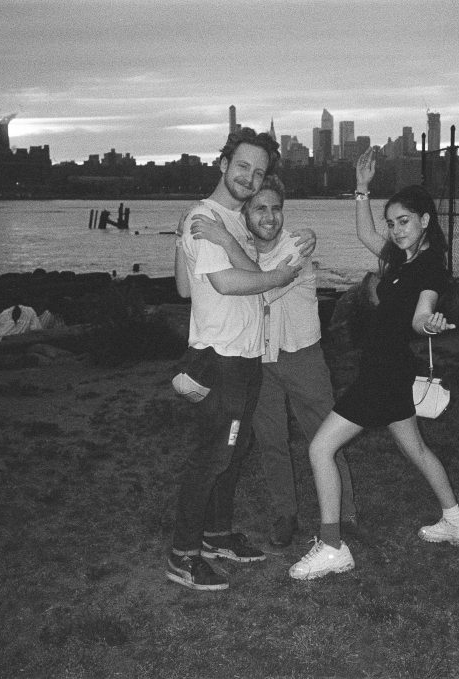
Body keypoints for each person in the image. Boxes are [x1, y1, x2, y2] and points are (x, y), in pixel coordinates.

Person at [289, 148, 459, 581]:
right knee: (416, 449)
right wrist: (361, 188)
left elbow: (421, 313)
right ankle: (456, 523)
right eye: (392, 223)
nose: (395, 230)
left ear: (425, 220)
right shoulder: (399, 258)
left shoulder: (429, 268)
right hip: (392, 373)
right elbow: (364, 233)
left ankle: (333, 548)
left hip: (382, 376)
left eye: (404, 221)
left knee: (320, 448)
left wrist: (428, 323)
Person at [187, 174, 358, 549]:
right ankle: (286, 514)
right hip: (260, 359)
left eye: (276, 208)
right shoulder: (243, 248)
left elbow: (263, 287)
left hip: (303, 357)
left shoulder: (297, 245)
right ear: (245, 214)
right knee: (271, 442)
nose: (269, 216)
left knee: (325, 436)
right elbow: (221, 283)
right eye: (260, 208)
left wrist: (225, 241)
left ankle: (345, 514)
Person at [166, 127, 303, 592]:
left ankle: (217, 535)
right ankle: (183, 556)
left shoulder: (229, 221)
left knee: (234, 450)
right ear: (223, 164)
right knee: (212, 456)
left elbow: (186, 286)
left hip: (245, 356)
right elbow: (226, 283)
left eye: (259, 172)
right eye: (243, 166)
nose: (250, 177)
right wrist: (276, 276)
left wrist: (223, 244)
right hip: (220, 358)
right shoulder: (206, 217)